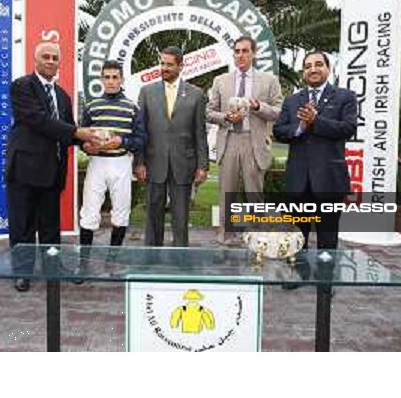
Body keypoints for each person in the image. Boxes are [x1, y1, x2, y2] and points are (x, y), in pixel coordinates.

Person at [6, 41, 99, 292]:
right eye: (45, 57)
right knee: (22, 225)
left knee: (50, 227)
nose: (50, 61)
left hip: (52, 171)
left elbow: (67, 132)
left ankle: (52, 268)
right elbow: (38, 120)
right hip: (24, 169)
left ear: (59, 62)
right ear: (35, 61)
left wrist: (85, 144)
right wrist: (79, 132)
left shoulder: (63, 96)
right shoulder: (22, 86)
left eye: (54, 57)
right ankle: (22, 272)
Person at [273, 50, 357, 251]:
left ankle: (324, 281)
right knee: (295, 235)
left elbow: (348, 128)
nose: (313, 69)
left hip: (329, 180)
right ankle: (295, 275)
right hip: (298, 180)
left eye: (318, 64)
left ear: (328, 68)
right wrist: (300, 127)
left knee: (327, 237)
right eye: (308, 66)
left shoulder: (345, 97)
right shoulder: (292, 101)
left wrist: (316, 121)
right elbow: (278, 131)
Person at [206, 36, 283, 244]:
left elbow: (279, 112)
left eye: (245, 51)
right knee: (227, 192)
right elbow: (209, 112)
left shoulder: (269, 81)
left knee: (254, 192)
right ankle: (226, 236)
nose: (240, 55)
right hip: (229, 138)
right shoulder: (220, 81)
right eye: (237, 51)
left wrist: (259, 107)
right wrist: (226, 118)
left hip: (254, 141)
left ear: (253, 53)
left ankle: (257, 237)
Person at [135, 46, 208, 247]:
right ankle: (151, 256)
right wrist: (139, 163)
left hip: (183, 164)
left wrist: (203, 166)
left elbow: (200, 133)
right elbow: (141, 132)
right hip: (153, 163)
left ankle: (181, 259)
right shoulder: (147, 92)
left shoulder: (196, 94)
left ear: (180, 66)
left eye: (169, 64)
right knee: (152, 215)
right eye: (162, 63)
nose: (164, 68)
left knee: (181, 217)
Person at [79, 61, 145, 247]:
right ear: (101, 79)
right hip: (97, 163)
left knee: (121, 212)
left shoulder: (132, 107)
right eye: (107, 77)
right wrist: (86, 147)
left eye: (115, 77)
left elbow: (141, 140)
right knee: (89, 212)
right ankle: (84, 262)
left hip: (121, 162)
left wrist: (122, 141)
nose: (110, 81)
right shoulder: (91, 105)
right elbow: (81, 137)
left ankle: (113, 262)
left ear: (121, 79)